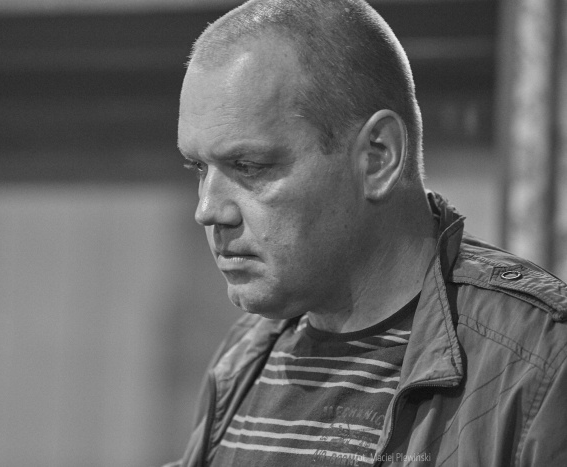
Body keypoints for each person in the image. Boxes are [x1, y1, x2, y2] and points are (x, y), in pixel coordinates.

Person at [168, 0, 567, 465]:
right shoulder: (243, 359)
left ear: (377, 157)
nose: (208, 210)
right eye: (199, 168)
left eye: (249, 166)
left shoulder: (537, 363)